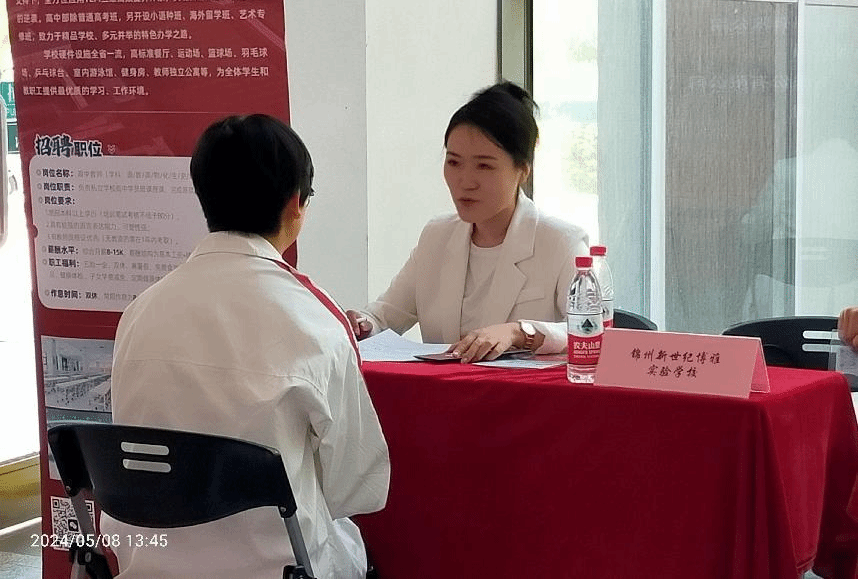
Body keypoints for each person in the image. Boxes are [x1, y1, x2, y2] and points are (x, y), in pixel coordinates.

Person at [102, 114, 390, 579]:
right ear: (296, 204)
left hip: (149, 566)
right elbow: (358, 487)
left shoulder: (140, 312)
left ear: (203, 196)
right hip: (280, 569)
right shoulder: (315, 320)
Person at [347, 81, 589, 363]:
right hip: (444, 390)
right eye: (453, 162)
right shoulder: (437, 236)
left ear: (523, 170)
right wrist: (362, 324)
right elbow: (384, 316)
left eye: (484, 166)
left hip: (521, 392)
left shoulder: (560, 242)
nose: (465, 182)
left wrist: (519, 332)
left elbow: (591, 331)